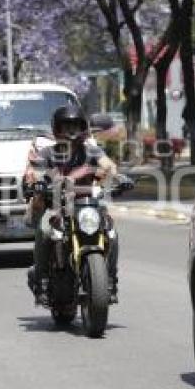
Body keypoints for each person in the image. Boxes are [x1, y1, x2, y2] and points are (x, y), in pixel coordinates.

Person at [23, 105, 119, 306]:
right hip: (56, 206)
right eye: (66, 126)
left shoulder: (91, 150)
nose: (71, 131)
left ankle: (110, 280)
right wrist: (36, 182)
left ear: (82, 127)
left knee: (111, 232)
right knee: (44, 229)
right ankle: (42, 281)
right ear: (57, 128)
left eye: (75, 125)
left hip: (87, 205)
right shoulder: (48, 153)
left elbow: (108, 165)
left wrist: (113, 176)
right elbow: (35, 171)